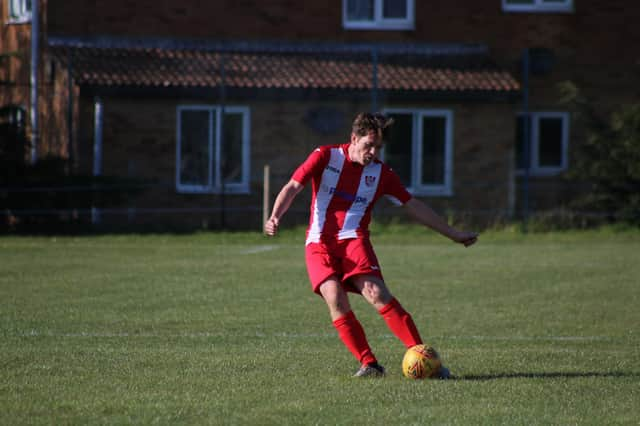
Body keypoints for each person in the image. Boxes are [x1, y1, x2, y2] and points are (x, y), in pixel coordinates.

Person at [264, 112, 478, 377]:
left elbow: (414, 206)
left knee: (376, 293)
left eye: (378, 148)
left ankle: (425, 359)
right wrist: (275, 216)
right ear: (354, 138)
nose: (373, 152)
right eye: (369, 145)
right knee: (334, 298)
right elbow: (293, 185)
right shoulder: (324, 156)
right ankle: (370, 364)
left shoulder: (382, 173)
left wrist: (452, 233)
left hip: (354, 238)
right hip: (318, 242)